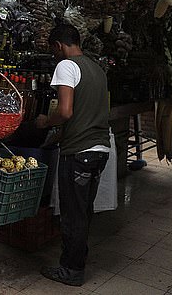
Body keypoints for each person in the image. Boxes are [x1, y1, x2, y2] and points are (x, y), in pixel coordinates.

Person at [35, 24, 110, 287]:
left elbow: (65, 112)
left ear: (58, 46)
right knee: (83, 211)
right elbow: (83, 115)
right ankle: (77, 260)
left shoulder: (67, 66)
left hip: (79, 153)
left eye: (53, 50)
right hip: (99, 150)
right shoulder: (97, 69)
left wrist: (45, 122)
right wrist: (55, 138)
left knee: (73, 214)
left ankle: (72, 270)